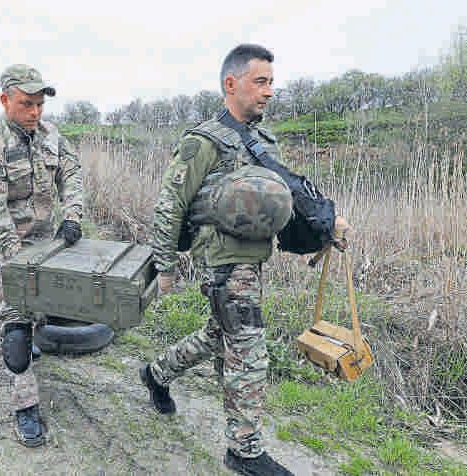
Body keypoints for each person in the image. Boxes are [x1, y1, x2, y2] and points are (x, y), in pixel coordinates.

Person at [139, 44, 351, 476]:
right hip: (222, 262)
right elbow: (169, 205)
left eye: (272, 82)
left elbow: (284, 197)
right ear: (231, 84)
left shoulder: (263, 142)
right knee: (249, 350)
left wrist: (326, 225)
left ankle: (156, 374)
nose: (269, 91)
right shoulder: (203, 142)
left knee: (219, 334)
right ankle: (245, 450)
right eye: (260, 81)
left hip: (252, 259)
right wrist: (165, 266)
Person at [0, 64, 83, 447]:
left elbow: (72, 173)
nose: (35, 112)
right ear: (5, 100)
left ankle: (34, 329)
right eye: (26, 104)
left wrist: (73, 215)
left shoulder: (51, 136)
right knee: (16, 332)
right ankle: (25, 405)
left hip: (46, 242)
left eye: (39, 105)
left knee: (45, 308)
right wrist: (21, 265)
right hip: (6, 247)